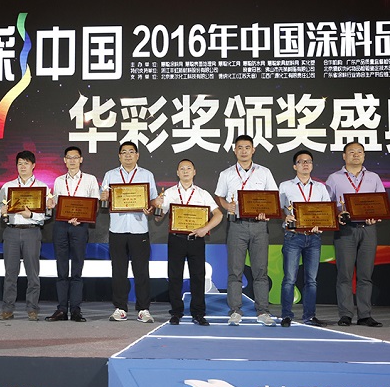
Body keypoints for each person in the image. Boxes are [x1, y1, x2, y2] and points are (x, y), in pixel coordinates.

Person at [215, 134, 279, 326]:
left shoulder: (264, 172)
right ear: (235, 150)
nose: (244, 151)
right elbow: (219, 197)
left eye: (247, 147)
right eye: (240, 147)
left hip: (259, 226)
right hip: (237, 225)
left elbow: (273, 197)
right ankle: (235, 310)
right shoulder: (226, 174)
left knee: (260, 271)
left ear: (253, 150)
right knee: (235, 271)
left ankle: (263, 311)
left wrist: (267, 212)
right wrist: (227, 206)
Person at [154, 159, 223, 326]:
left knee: (198, 277)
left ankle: (198, 313)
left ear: (194, 172)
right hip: (176, 239)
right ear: (177, 173)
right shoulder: (169, 193)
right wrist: (158, 207)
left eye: (189, 168)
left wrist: (205, 228)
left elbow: (219, 214)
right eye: (182, 169)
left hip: (196, 239)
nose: (185, 171)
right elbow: (158, 218)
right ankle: (176, 312)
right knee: (175, 277)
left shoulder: (202, 194)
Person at [325, 141, 385, 327]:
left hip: (368, 229)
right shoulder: (334, 178)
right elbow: (327, 205)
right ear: (344, 156)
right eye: (351, 152)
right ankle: (345, 314)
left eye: (360, 151)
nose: (356, 155)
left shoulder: (374, 177)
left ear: (364, 156)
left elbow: (381, 203)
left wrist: (376, 216)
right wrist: (337, 214)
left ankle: (365, 315)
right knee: (344, 274)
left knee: (365, 275)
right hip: (345, 230)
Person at [100, 141, 158, 323]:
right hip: (117, 229)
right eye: (124, 152)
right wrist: (103, 197)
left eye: (131, 152)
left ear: (137, 155)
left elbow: (153, 200)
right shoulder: (110, 175)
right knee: (118, 271)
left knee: (141, 271)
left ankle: (143, 309)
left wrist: (150, 208)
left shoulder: (147, 175)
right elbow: (103, 199)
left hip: (139, 229)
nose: (127, 155)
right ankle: (120, 308)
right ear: (119, 156)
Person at [45, 146, 100, 323]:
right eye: (69, 157)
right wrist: (51, 204)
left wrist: (81, 218)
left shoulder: (90, 180)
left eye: (75, 157)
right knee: (61, 269)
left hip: (80, 227)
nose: (72, 161)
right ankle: (61, 309)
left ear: (81, 159)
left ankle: (76, 309)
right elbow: (57, 203)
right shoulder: (59, 180)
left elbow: (95, 205)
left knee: (77, 269)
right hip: (61, 226)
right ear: (64, 160)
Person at [278, 150, 330, 327]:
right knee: (289, 279)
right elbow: (278, 209)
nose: (305, 164)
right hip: (293, 236)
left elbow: (326, 212)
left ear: (312, 165)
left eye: (309, 161)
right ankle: (286, 315)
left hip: (314, 238)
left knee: (311, 280)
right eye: (301, 161)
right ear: (295, 166)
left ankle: (309, 315)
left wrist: (320, 224)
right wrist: (285, 217)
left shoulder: (320, 187)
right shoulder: (285, 186)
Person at [0, 150, 49, 321]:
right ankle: (7, 309)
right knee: (10, 273)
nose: (22, 166)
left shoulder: (42, 187)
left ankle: (32, 309)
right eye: (19, 163)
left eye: (26, 163)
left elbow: (47, 214)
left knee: (33, 273)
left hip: (32, 231)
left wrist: (30, 215)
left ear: (33, 165)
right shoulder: (7, 186)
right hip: (11, 231)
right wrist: (2, 211)